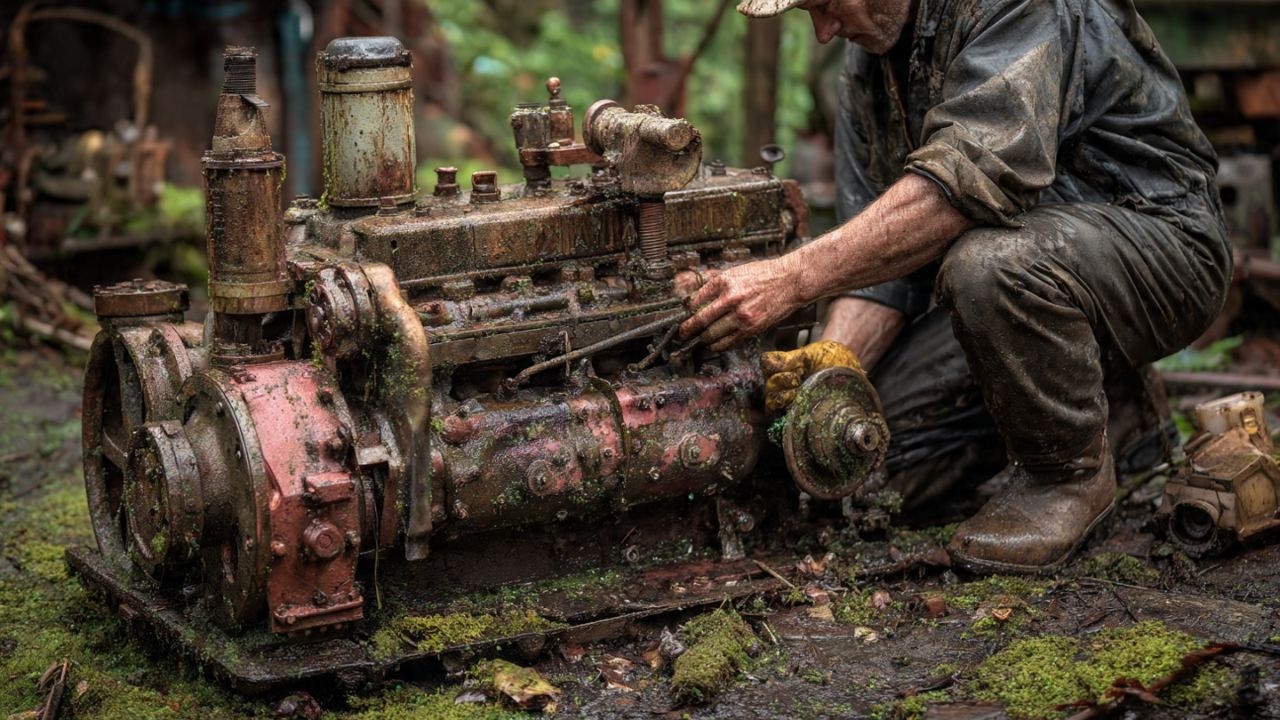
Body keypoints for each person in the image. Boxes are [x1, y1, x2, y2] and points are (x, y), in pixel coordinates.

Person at [680, 0, 1231, 573]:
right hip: (1022, 271)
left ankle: (1066, 479)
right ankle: (1110, 404)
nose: (822, 32)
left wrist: (789, 278)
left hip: (1162, 241)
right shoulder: (866, 67)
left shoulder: (1017, 7)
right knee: (859, 457)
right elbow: (878, 260)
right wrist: (835, 366)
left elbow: (962, 185)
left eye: (826, 5)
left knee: (988, 264)